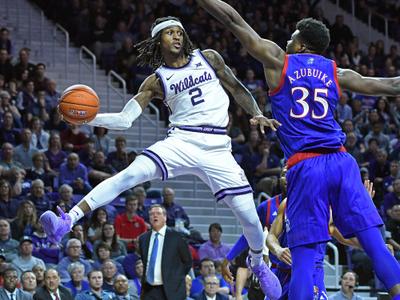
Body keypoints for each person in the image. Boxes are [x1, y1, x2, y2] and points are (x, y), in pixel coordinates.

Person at [40, 15, 281, 299]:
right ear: (159, 40)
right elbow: (125, 119)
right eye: (170, 33)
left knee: (251, 219)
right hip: (181, 140)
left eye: (180, 32)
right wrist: (88, 119)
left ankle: (256, 262)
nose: (177, 36)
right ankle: (68, 219)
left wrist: (256, 112)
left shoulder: (209, 58)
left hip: (217, 147)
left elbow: (237, 88)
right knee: (129, 175)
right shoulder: (157, 81)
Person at [195, 0, 400, 298]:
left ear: (302, 44)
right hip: (342, 161)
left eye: (292, 37)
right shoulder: (337, 72)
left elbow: (233, 21)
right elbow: (392, 85)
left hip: (306, 165)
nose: (287, 40)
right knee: (374, 243)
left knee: (303, 257)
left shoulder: (280, 61)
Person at [138, 204, 192, 300]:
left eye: (158, 213)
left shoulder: (177, 237)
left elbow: (187, 262)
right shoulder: (143, 238)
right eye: (152, 214)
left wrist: (175, 278)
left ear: (165, 217)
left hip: (171, 290)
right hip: (149, 289)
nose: (155, 216)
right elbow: (145, 261)